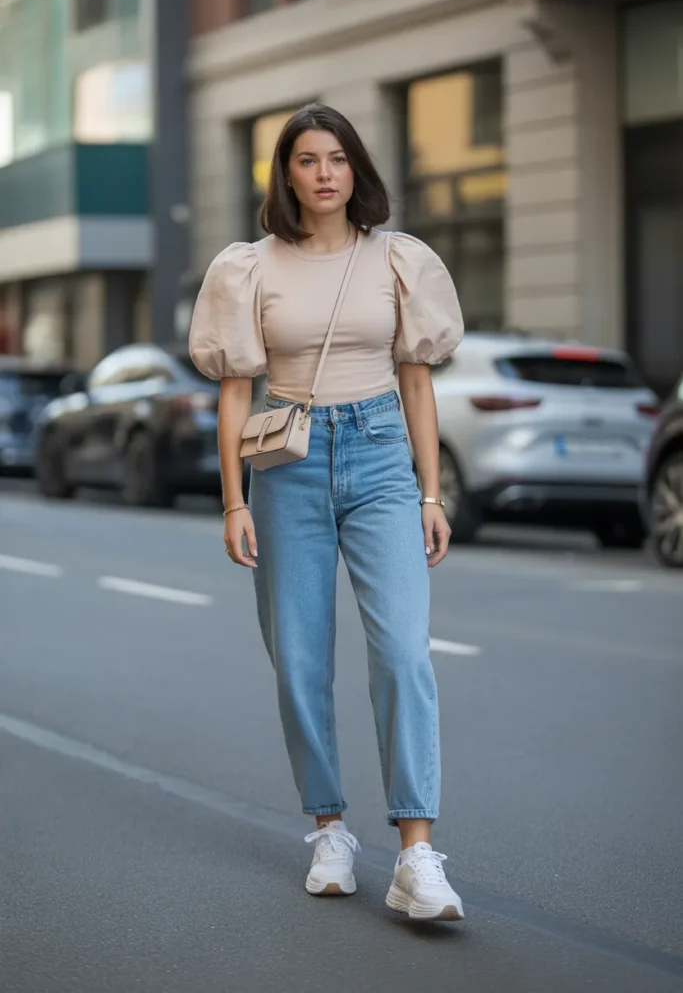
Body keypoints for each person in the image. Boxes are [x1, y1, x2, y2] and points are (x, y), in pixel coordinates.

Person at [189, 103, 465, 922]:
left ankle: (418, 855)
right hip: (288, 468)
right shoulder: (249, 267)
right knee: (301, 660)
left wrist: (429, 491)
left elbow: (417, 379)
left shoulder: (399, 260)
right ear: (285, 174)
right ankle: (329, 828)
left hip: (381, 453)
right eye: (306, 160)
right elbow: (234, 393)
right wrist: (233, 500)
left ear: (356, 170)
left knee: (404, 654)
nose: (322, 173)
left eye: (336, 158)